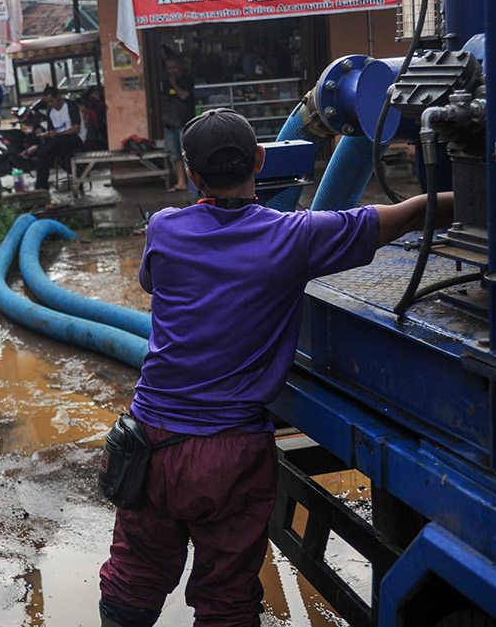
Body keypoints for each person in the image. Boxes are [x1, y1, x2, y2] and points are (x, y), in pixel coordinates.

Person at [98, 108, 453, 627]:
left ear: (190, 173)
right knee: (226, 596)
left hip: (150, 439)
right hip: (230, 452)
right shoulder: (295, 237)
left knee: (133, 576)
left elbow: (151, 284)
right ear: (261, 161)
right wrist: (486, 196)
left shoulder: (164, 228)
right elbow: (401, 217)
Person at [24, 86, 86, 192]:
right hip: (58, 142)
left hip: (75, 138)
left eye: (51, 101)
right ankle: (41, 188)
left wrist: (57, 134)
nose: (50, 104)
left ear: (58, 97)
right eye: (48, 102)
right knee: (44, 156)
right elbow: (52, 132)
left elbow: (76, 129)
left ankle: (37, 149)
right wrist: (46, 135)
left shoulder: (71, 106)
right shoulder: (50, 111)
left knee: (57, 141)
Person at [160, 56, 195, 192]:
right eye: (169, 68)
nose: (172, 70)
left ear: (180, 66)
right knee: (174, 154)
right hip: (171, 124)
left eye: (174, 67)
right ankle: (181, 182)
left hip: (185, 123)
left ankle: (192, 183)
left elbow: (183, 96)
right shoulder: (165, 82)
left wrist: (173, 83)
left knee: (186, 153)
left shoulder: (187, 79)